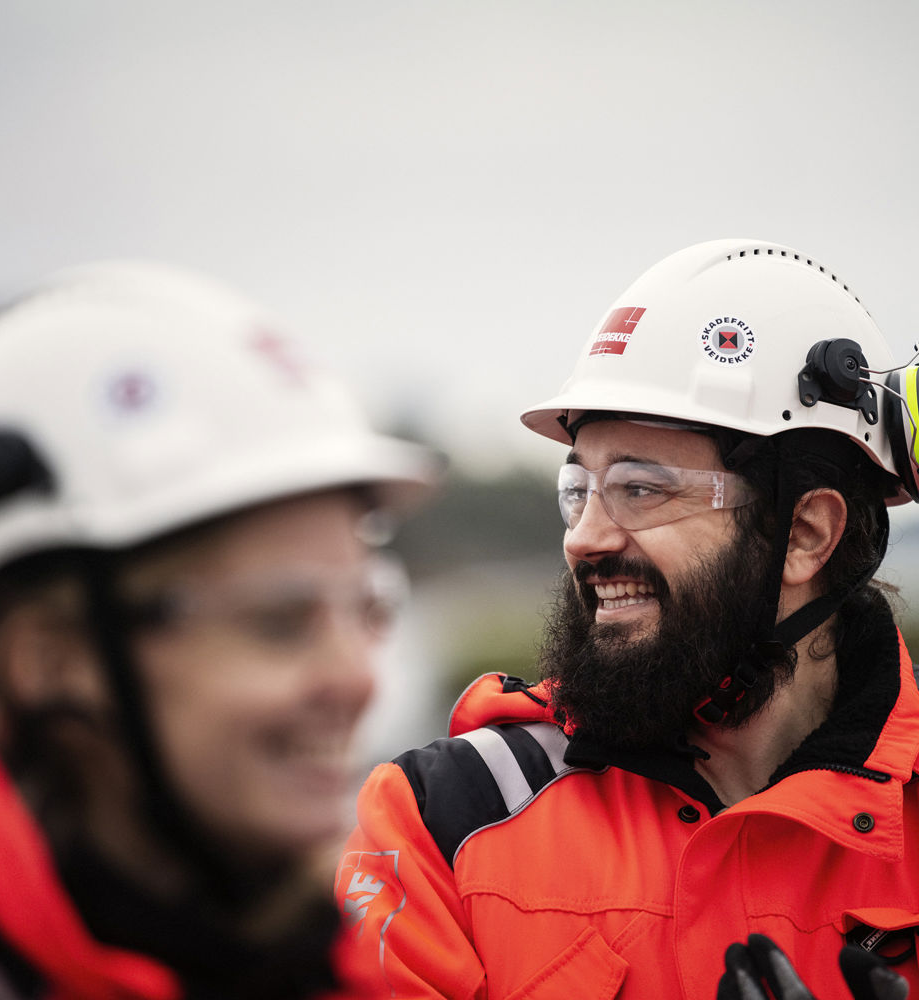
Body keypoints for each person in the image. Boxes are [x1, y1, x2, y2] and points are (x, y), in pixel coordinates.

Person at [335, 239, 919, 999]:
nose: (585, 537)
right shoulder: (446, 821)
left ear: (807, 533)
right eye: (578, 489)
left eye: (641, 489)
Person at [0, 261, 436, 999]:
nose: (359, 679)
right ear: (53, 659)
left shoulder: (357, 966)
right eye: (280, 621)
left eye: (368, 609)